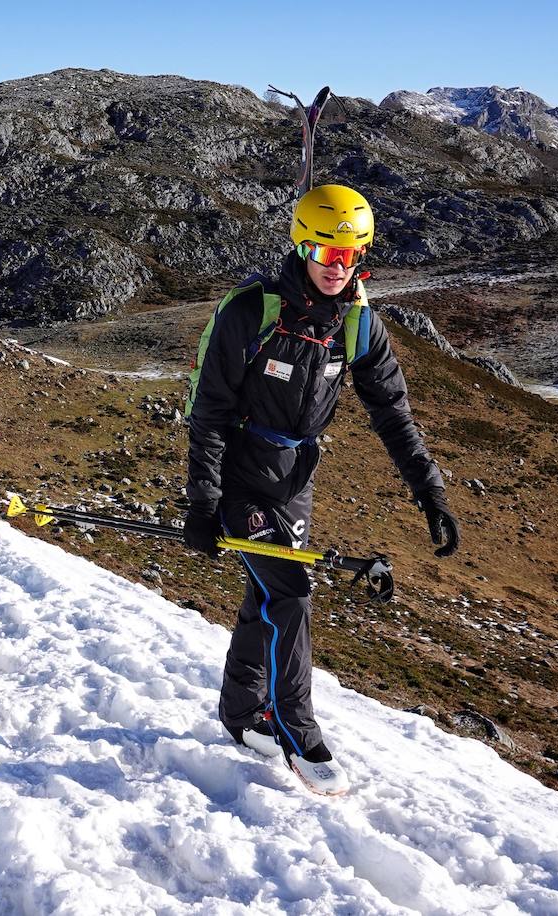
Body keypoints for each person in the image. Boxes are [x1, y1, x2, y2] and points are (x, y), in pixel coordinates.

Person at [183, 184, 459, 796]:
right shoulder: (251, 313)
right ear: (301, 245)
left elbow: (393, 414)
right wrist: (203, 501)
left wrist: (431, 495)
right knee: (291, 594)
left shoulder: (357, 326)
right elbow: (208, 413)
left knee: (265, 596)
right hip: (239, 472)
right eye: (325, 253)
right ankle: (295, 727)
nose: (337, 268)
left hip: (295, 478)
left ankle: (240, 710)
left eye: (350, 256)